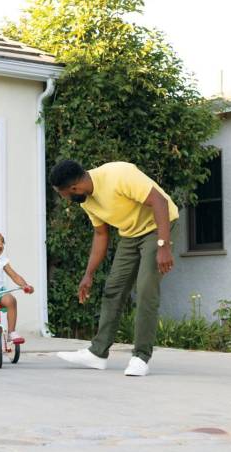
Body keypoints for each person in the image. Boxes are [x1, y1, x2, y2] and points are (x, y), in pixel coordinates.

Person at [49, 160, 179, 376]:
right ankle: (97, 353)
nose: (67, 201)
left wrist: (163, 245)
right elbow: (101, 235)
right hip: (130, 234)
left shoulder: (118, 174)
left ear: (74, 188)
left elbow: (160, 201)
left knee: (146, 288)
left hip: (159, 226)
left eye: (64, 195)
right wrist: (88, 274)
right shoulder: (86, 200)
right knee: (113, 290)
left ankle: (141, 356)